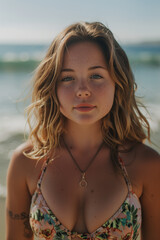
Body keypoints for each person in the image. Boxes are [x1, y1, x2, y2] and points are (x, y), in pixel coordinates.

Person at [6, 21, 160, 240]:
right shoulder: (26, 162)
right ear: (52, 87)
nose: (82, 91)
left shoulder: (146, 164)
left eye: (96, 75)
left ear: (117, 83)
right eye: (67, 78)